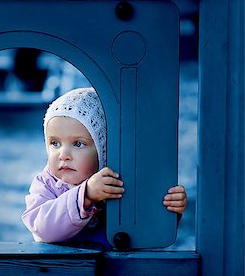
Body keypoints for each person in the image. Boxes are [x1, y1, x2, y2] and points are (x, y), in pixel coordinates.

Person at [21, 87, 187, 249]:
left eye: (78, 144)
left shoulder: (121, 181)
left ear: (104, 149)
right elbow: (42, 229)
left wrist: (170, 212)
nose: (63, 154)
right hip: (66, 272)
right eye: (55, 143)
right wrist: (85, 195)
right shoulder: (46, 183)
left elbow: (149, 232)